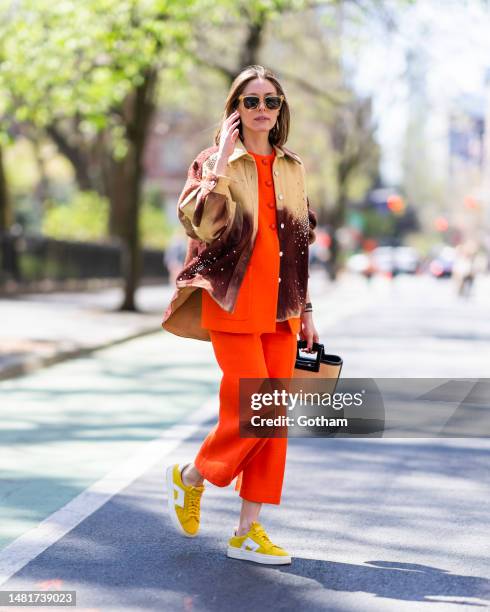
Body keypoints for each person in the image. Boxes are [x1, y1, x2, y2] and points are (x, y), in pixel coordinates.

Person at [161, 65, 319, 565]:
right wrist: (222, 164)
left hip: (282, 308)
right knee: (258, 410)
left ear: (280, 110)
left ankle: (247, 531)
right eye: (250, 102)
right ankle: (192, 476)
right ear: (235, 109)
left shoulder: (292, 167)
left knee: (273, 418)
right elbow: (201, 226)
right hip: (231, 302)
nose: (261, 110)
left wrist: (307, 309)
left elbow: (298, 245)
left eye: (270, 102)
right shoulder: (214, 161)